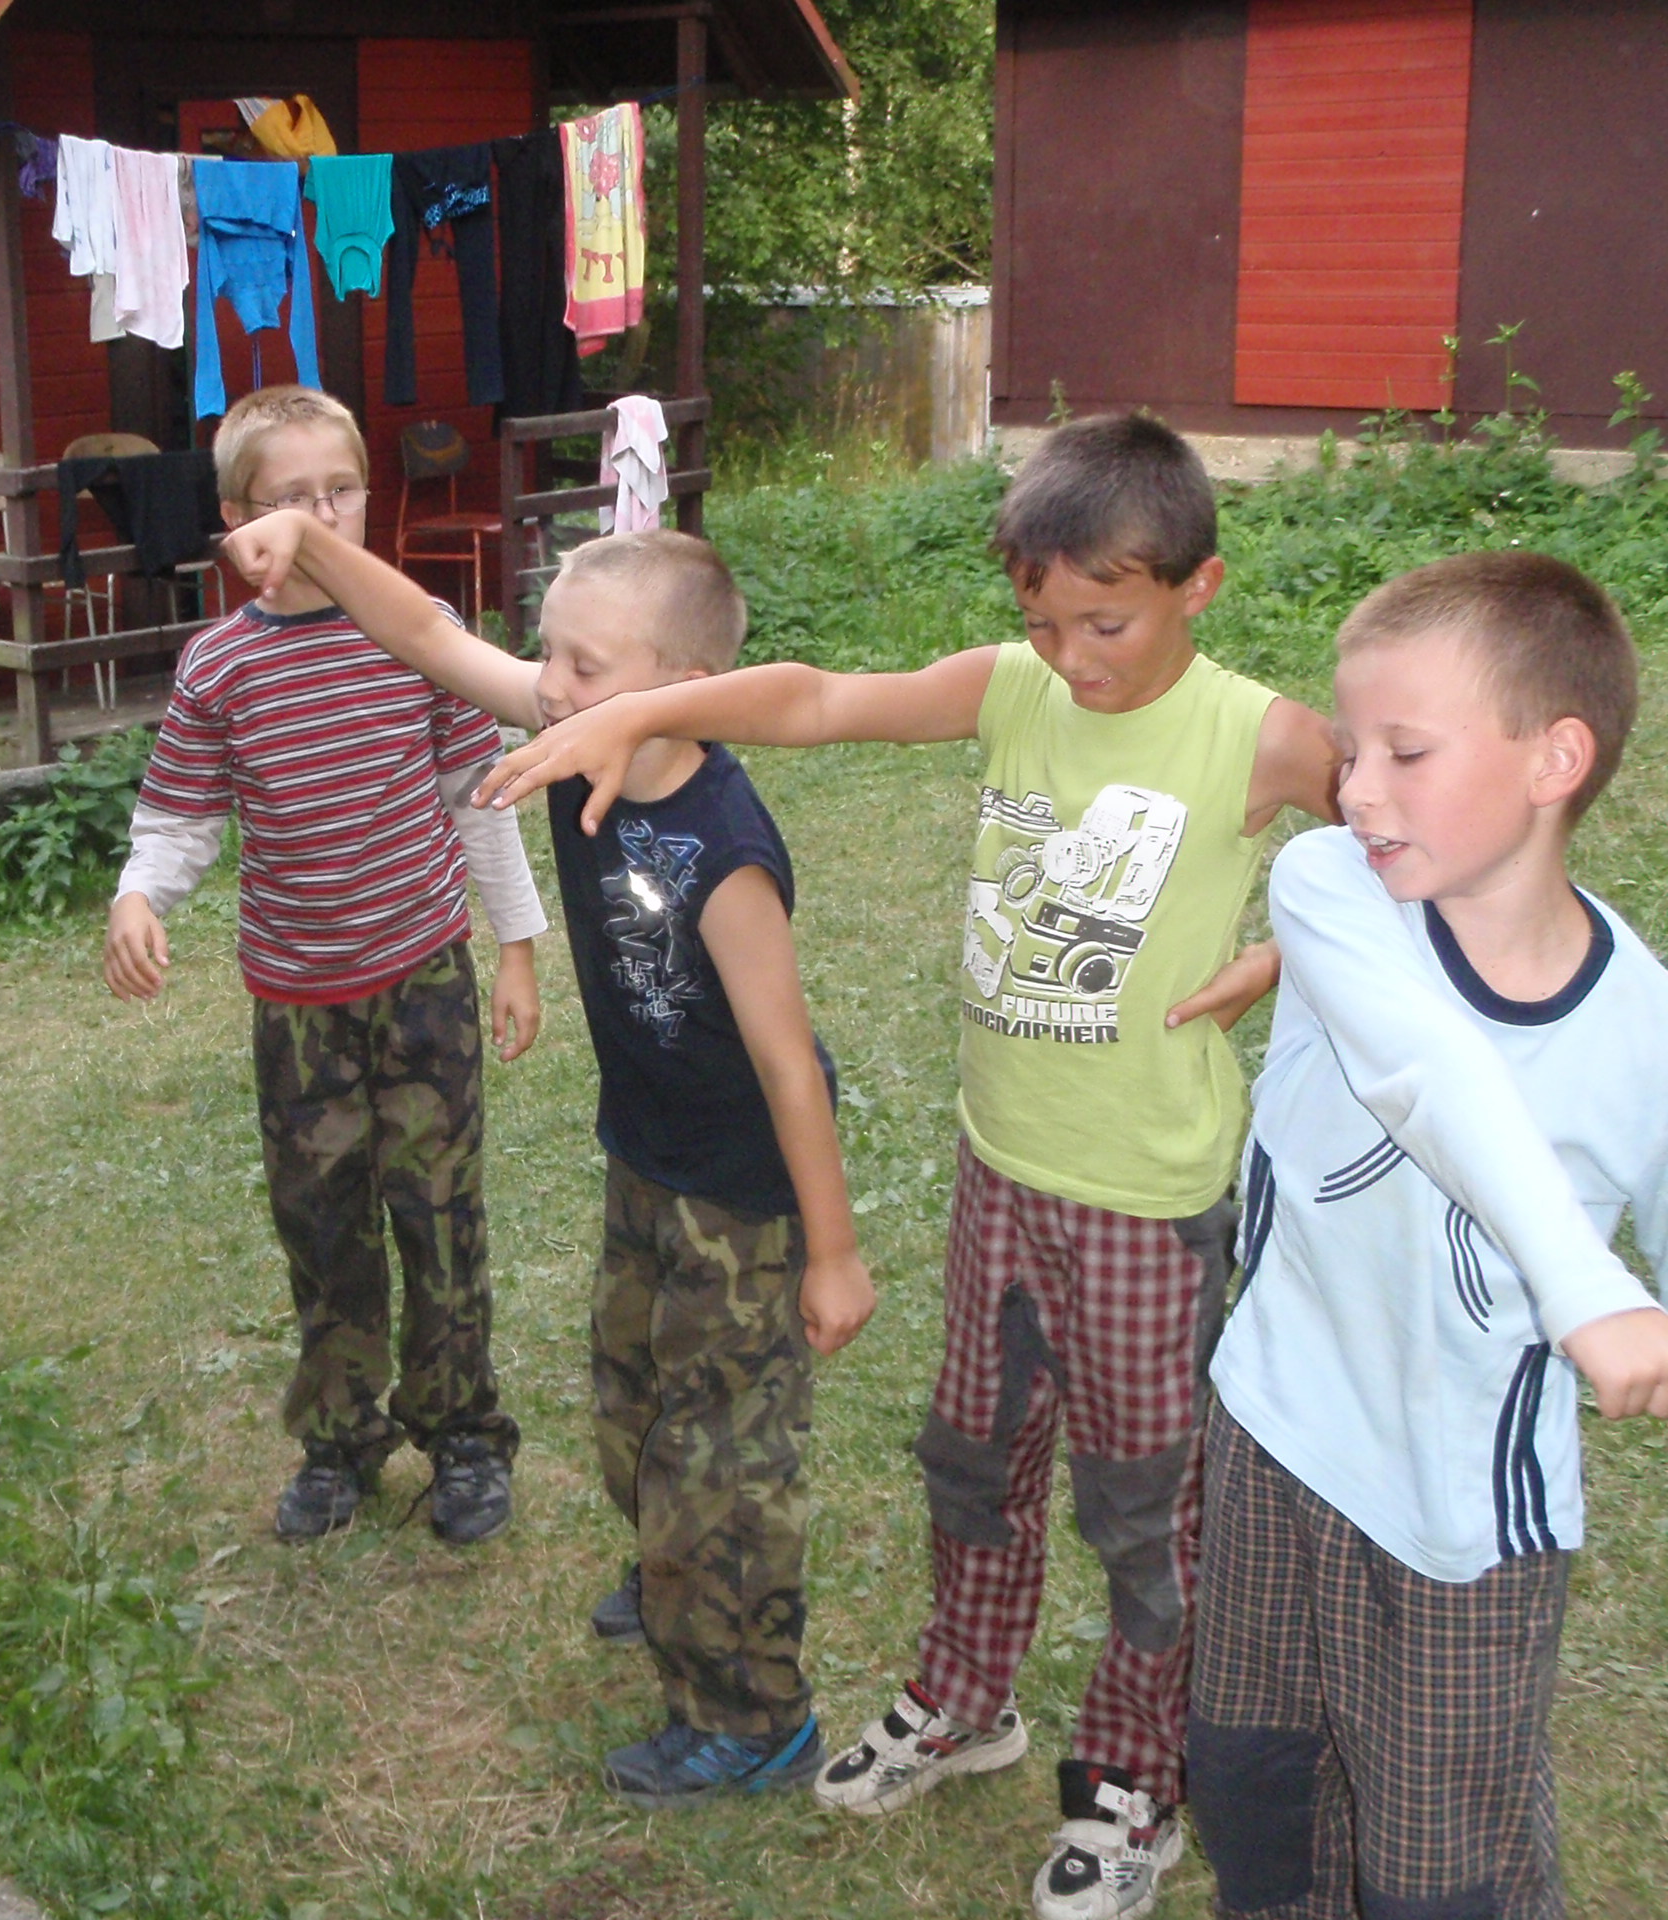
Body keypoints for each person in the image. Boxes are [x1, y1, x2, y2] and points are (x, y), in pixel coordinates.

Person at [472, 415, 1338, 1917]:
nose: (1072, 658)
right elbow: (815, 699)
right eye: (1044, 623)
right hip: (1001, 1169)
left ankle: (1133, 1781)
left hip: (1149, 1205)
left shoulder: (1256, 734)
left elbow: (1397, 839)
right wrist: (640, 712)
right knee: (974, 1462)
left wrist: (1282, 955)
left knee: (1144, 1506)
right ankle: (964, 1697)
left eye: (1108, 625)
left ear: (1197, 587)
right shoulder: (1011, 688)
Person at [222, 508, 877, 1807]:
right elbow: (426, 637)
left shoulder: (727, 851)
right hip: (645, 1160)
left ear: (687, 689)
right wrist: (310, 541)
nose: (552, 684)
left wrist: (835, 1252)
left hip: (743, 1200)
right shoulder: (585, 739)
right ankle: (670, 1569)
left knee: (723, 1458)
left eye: (585, 665)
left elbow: (790, 1065)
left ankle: (756, 1718)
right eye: (550, 654)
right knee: (632, 1406)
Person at [1190, 552, 1668, 1919]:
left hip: (1459, 1527)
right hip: (1273, 1428)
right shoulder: (1331, 890)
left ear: (1554, 759)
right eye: (1352, 751)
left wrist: (1620, 1311)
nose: (1354, 790)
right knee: (1251, 1785)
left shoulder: (1642, 1034)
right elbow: (1429, 1073)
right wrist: (1584, 1285)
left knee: (1438, 1876)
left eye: (1405, 753)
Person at [103, 384, 548, 1545]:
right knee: (322, 1224)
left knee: (439, 1212)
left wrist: (516, 947)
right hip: (297, 1002)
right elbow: (180, 817)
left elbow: (480, 798)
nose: (321, 516)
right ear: (236, 521)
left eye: (339, 491)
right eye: (289, 499)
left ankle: (463, 1434)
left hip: (425, 982)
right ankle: (340, 1440)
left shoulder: (416, 632)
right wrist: (138, 895)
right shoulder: (218, 668)